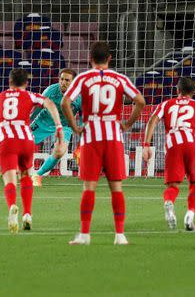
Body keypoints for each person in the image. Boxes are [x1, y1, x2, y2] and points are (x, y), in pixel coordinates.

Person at [62, 42, 146, 246]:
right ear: (109, 58)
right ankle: (120, 235)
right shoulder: (119, 78)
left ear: (90, 58)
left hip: (91, 136)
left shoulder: (83, 78)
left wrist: (74, 126)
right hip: (113, 136)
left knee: (89, 187)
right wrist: (127, 123)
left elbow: (65, 102)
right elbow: (141, 101)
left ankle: (84, 235)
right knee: (116, 188)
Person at [0, 68, 64, 233]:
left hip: (6, 140)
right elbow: (49, 103)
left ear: (9, 82)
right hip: (25, 139)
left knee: (10, 180)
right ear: (26, 83)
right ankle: (27, 214)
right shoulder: (29, 95)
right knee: (27, 175)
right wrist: (58, 126)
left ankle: (12, 206)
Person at [142, 77, 195, 231]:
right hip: (192, 144)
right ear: (193, 92)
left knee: (173, 185)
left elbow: (152, 120)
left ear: (177, 90)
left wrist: (147, 144)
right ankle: (190, 216)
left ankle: (169, 202)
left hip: (173, 145)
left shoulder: (166, 104)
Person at [0, 69, 82, 186]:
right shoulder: (50, 90)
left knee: (60, 151)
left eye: (67, 80)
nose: (63, 82)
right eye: (61, 79)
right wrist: (26, 126)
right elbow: (36, 109)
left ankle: (38, 175)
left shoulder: (79, 98)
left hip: (65, 125)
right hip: (43, 122)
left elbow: (82, 117)